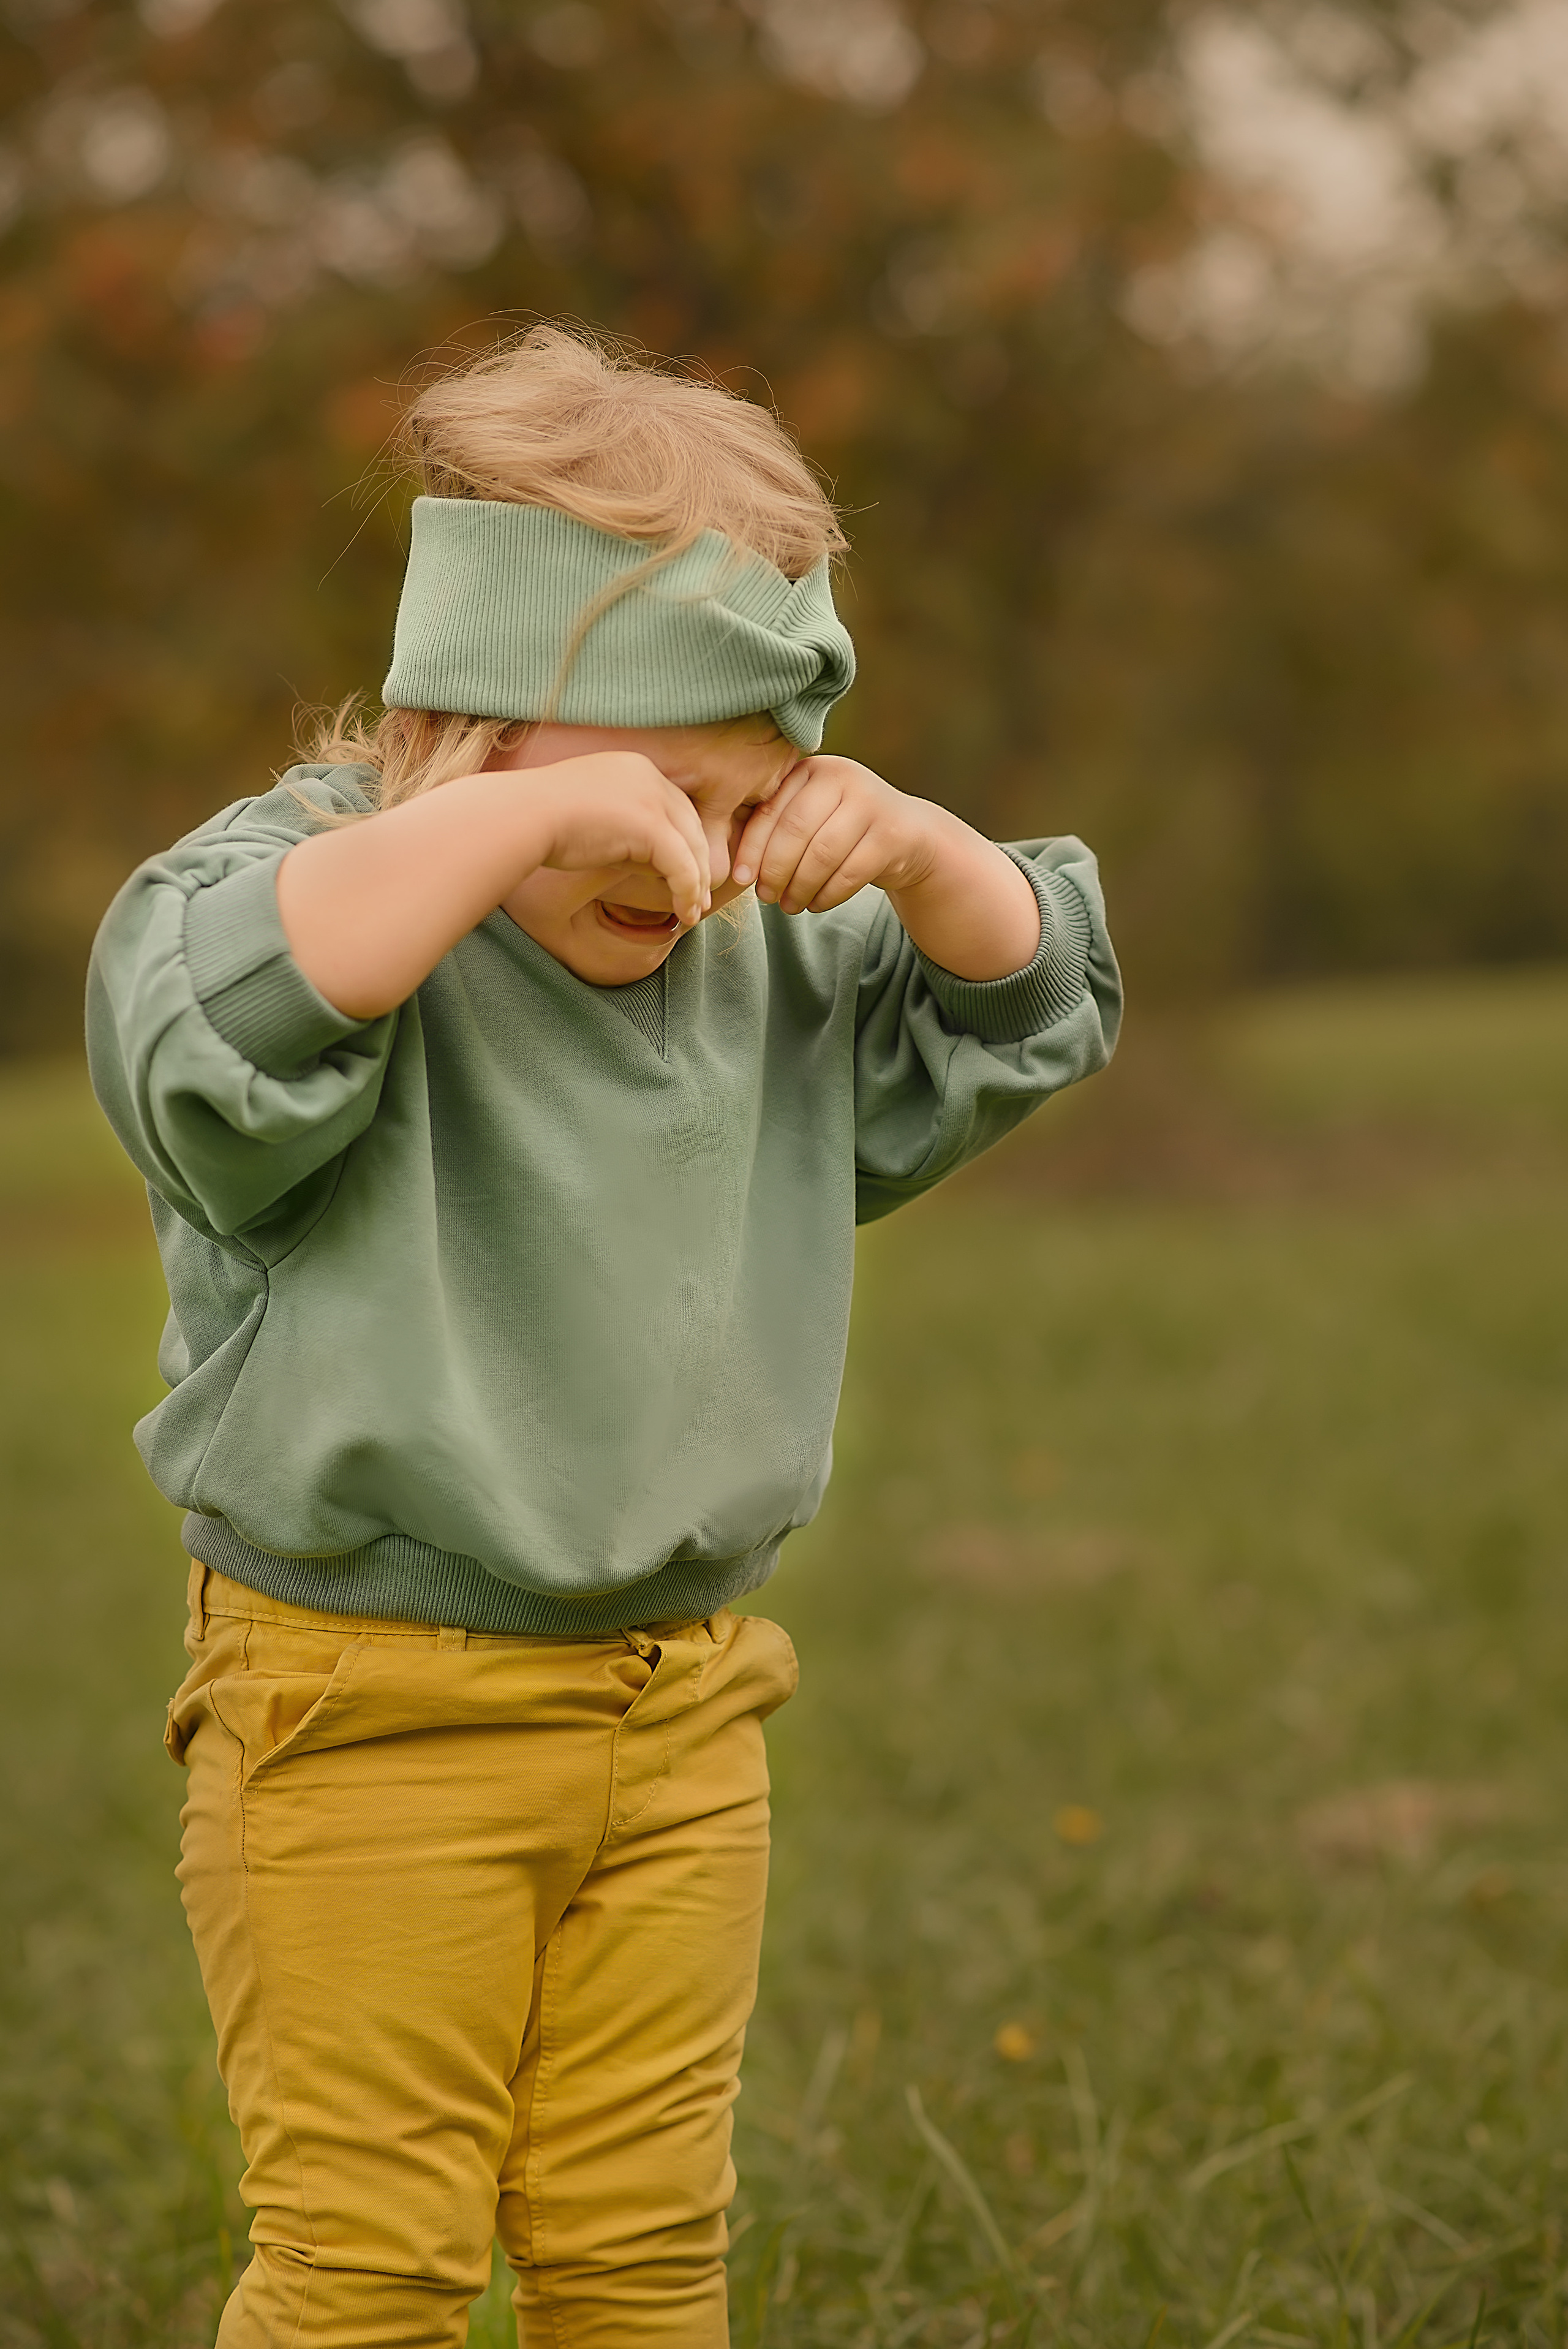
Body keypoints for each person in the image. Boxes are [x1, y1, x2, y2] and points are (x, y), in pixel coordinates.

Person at [86, 323, 1121, 2348]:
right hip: (364, 1705)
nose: (707, 856)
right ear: (474, 727)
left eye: (760, 796)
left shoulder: (755, 942)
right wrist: (489, 834)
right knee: (369, 2265)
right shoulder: (314, 891)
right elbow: (211, 1041)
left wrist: (906, 843)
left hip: (679, 1705)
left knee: (644, 2250)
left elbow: (1031, 997)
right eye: (666, 785)